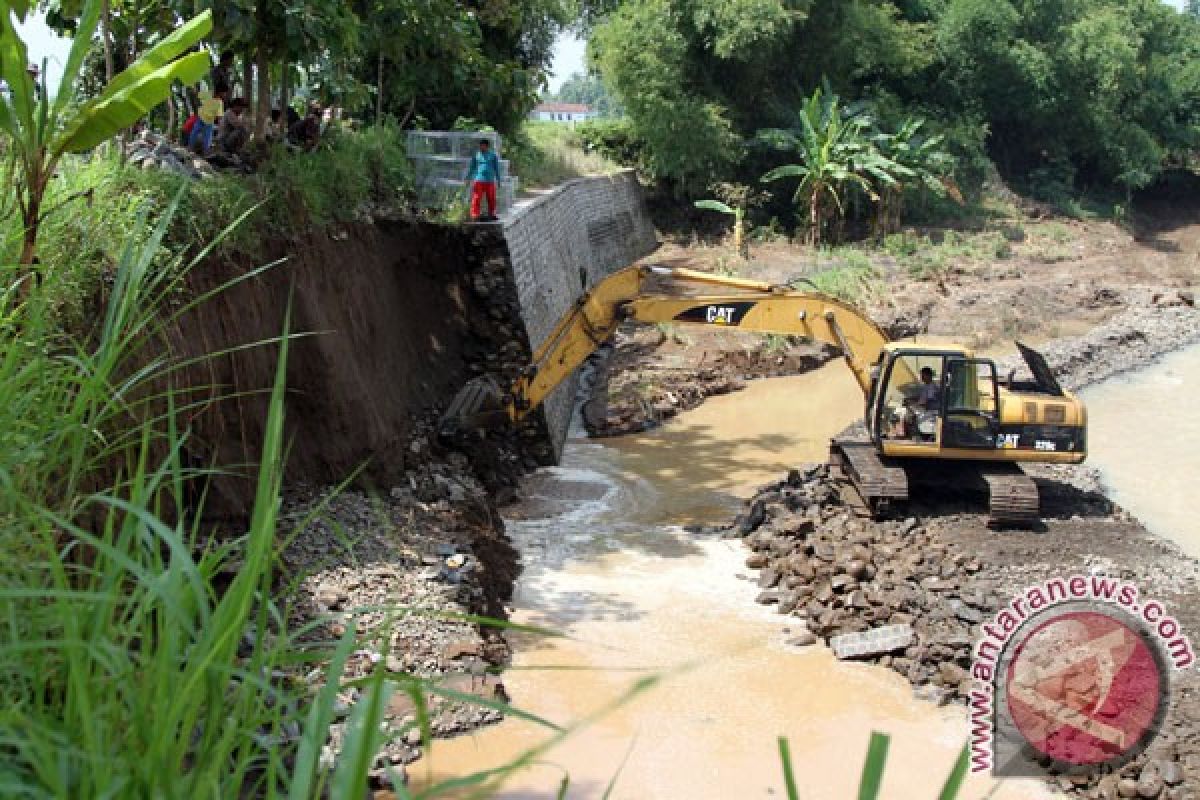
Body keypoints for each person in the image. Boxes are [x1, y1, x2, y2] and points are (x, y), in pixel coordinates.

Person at [463, 138, 501, 222]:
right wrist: (468, 178)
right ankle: (475, 215)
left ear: (487, 146)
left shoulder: (493, 155)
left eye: (483, 145)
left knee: (491, 198)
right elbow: (472, 168)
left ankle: (492, 214)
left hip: (490, 180)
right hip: (479, 180)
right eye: (480, 145)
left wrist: (498, 180)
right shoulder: (476, 155)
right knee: (476, 197)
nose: (481, 147)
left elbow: (497, 168)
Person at [188, 89, 223, 154]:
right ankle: (194, 148)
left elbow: (219, 116)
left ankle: (201, 150)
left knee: (201, 134)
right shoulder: (212, 97)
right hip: (203, 118)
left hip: (207, 120)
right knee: (198, 133)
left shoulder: (218, 101)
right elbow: (197, 94)